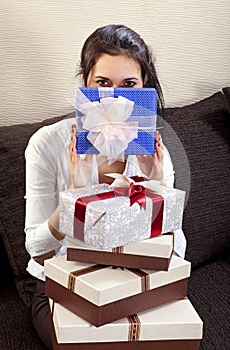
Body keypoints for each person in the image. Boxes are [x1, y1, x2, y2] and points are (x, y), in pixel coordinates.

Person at [24, 24, 186, 349]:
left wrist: (156, 188)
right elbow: (37, 250)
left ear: (144, 88)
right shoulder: (47, 144)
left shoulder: (153, 151)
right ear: (85, 82)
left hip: (134, 281)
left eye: (129, 84)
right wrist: (76, 196)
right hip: (62, 284)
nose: (114, 97)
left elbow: (176, 252)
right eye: (102, 83)